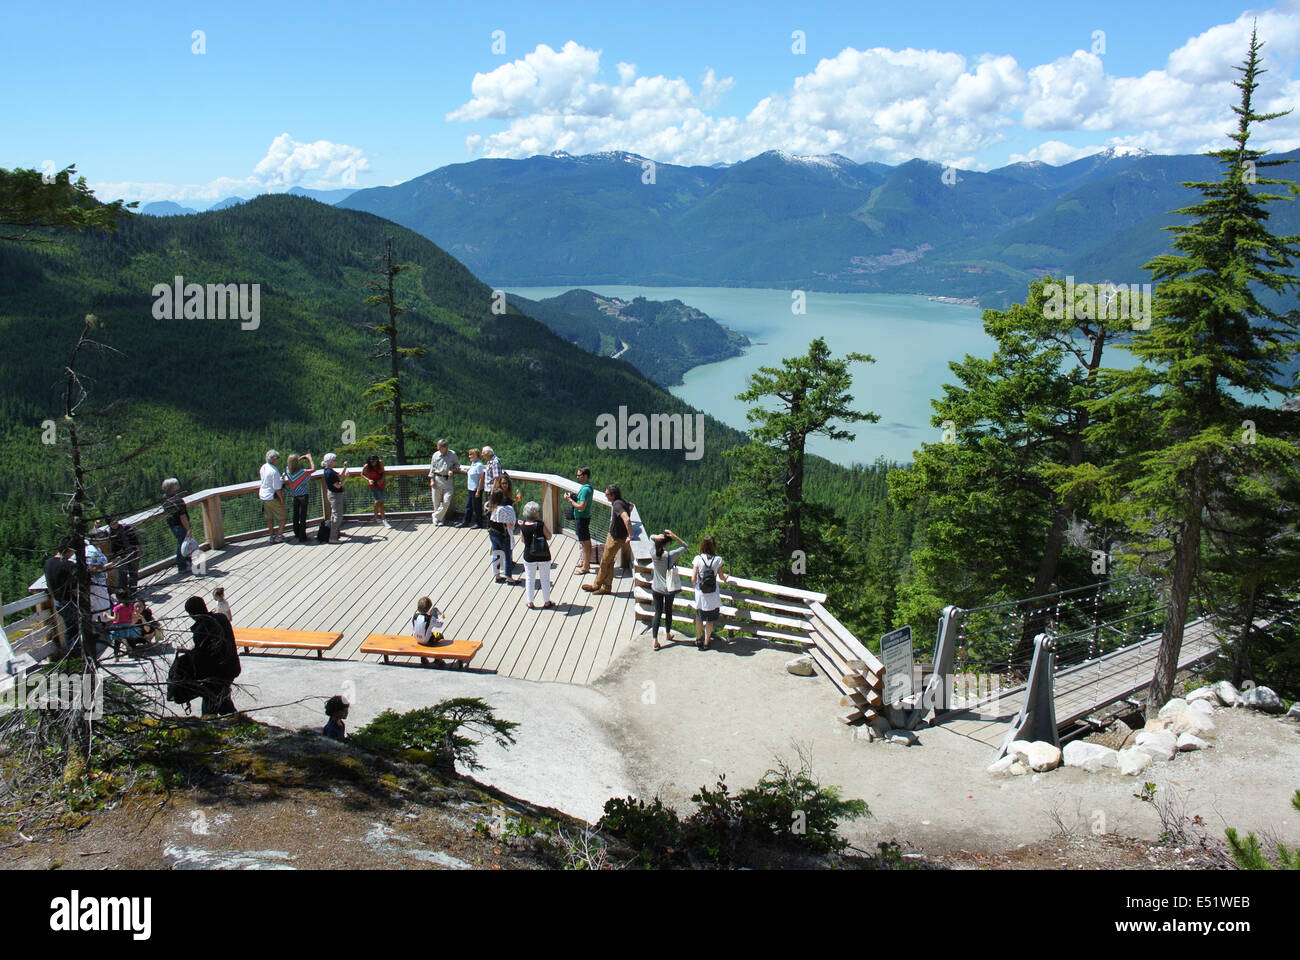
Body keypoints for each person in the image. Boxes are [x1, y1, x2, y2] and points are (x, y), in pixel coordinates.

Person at [184, 596, 241, 715]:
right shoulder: (221, 618)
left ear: (192, 614)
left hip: (215, 675)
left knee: (210, 708)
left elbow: (203, 660)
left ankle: (209, 727)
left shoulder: (201, 630)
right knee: (224, 703)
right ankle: (236, 721)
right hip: (231, 668)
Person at [583, 484, 633, 596]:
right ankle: (607, 587)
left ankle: (596, 585)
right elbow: (631, 506)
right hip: (613, 535)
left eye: (607, 494)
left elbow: (627, 519)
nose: (605, 496)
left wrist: (630, 536)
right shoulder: (622, 501)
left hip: (616, 538)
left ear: (613, 495)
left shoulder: (617, 505)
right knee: (609, 561)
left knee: (604, 561)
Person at [649, 530, 687, 650]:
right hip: (669, 588)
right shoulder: (670, 555)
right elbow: (685, 546)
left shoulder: (653, 552)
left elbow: (650, 538)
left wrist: (655, 536)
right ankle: (668, 633)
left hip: (656, 588)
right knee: (668, 610)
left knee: (658, 613)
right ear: (667, 543)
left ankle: (655, 640)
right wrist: (675, 535)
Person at [691, 536, 729, 650]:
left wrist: (696, 587)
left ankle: (698, 639)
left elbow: (693, 578)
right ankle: (706, 643)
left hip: (701, 592)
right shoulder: (718, 560)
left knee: (699, 615)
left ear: (702, 545)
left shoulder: (698, 559)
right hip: (713, 593)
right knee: (710, 619)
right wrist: (726, 577)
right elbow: (721, 577)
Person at [517, 501, 555, 609]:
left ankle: (530, 602)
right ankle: (547, 601)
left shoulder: (523, 525)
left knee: (529, 578)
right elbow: (549, 536)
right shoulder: (540, 524)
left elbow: (523, 540)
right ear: (536, 513)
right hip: (543, 554)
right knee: (545, 578)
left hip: (529, 555)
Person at [43, 539, 78, 645]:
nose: (72, 554)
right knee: (74, 630)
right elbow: (74, 588)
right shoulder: (68, 565)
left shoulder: (48, 563)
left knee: (68, 628)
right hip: (69, 600)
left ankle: (72, 656)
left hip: (57, 601)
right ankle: (76, 655)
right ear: (68, 551)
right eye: (72, 552)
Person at [565, 467, 594, 575]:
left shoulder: (586, 489)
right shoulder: (588, 487)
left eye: (579, 475)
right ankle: (585, 562)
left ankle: (586, 567)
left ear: (585, 476)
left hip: (582, 518)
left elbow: (581, 507)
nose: (577, 477)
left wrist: (570, 500)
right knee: (584, 541)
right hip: (584, 518)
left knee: (585, 543)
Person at [486, 489, 520, 584]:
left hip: (493, 534)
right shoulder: (502, 510)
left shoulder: (489, 507)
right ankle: (509, 577)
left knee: (496, 555)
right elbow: (509, 525)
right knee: (507, 556)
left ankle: (497, 576)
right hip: (503, 536)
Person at [161, 478, 193, 576]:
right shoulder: (177, 500)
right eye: (176, 484)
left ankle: (186, 564)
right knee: (183, 545)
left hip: (173, 525)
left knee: (182, 544)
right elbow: (182, 516)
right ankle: (182, 566)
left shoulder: (165, 498)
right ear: (173, 487)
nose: (178, 485)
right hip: (181, 525)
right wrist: (188, 529)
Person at [107, 517, 141, 601]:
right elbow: (112, 547)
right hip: (121, 557)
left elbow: (135, 539)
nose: (115, 525)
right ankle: (124, 595)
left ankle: (133, 593)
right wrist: (115, 557)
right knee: (122, 576)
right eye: (112, 524)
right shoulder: (110, 533)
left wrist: (138, 549)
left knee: (133, 573)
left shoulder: (126, 527)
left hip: (132, 553)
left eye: (116, 522)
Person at [283, 453, 315, 542]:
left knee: (295, 515)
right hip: (303, 495)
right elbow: (313, 469)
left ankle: (296, 533)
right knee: (303, 516)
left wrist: (297, 459)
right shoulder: (302, 472)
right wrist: (309, 458)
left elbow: (289, 465)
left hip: (294, 495)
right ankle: (302, 536)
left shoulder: (287, 471)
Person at [428, 439, 461, 526]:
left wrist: (452, 470)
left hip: (448, 480)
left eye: (440, 447)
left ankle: (435, 515)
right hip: (437, 479)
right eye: (438, 447)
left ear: (445, 447)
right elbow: (432, 468)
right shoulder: (435, 455)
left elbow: (457, 465)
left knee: (446, 501)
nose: (438, 449)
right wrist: (432, 480)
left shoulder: (452, 454)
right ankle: (440, 519)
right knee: (436, 501)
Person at [259, 449, 287, 542]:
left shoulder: (264, 467)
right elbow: (277, 489)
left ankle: (271, 536)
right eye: (277, 458)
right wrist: (282, 500)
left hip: (263, 495)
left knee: (269, 517)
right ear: (274, 459)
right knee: (283, 516)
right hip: (272, 496)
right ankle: (279, 535)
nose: (278, 460)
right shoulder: (274, 471)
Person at [322, 454, 348, 542]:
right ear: (330, 462)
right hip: (335, 495)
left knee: (334, 514)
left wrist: (344, 467)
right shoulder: (329, 473)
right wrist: (345, 478)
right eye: (334, 460)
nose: (336, 461)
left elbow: (339, 475)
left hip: (332, 494)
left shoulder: (328, 470)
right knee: (338, 516)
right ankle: (333, 537)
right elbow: (338, 485)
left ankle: (336, 532)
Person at [458, 447, 485, 528]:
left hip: (476, 489)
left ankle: (479, 523)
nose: (469, 456)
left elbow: (481, 478)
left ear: (476, 455)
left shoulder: (479, 465)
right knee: (468, 506)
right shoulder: (473, 464)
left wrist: (478, 491)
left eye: (471, 455)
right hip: (470, 488)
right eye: (469, 455)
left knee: (477, 507)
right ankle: (466, 522)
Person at [107, 591, 139, 656]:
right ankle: (135, 654)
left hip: (118, 627)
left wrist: (107, 616)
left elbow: (116, 619)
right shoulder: (131, 606)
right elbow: (132, 616)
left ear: (118, 598)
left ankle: (116, 656)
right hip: (128, 625)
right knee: (130, 640)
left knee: (117, 642)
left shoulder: (117, 608)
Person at [362, 454, 391, 528]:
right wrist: (368, 480)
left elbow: (384, 472)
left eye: (374, 461)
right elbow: (362, 474)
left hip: (381, 484)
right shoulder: (366, 466)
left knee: (377, 501)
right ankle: (384, 519)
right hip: (373, 485)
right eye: (372, 461)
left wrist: (381, 480)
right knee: (380, 501)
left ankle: (375, 518)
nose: (373, 463)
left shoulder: (380, 463)